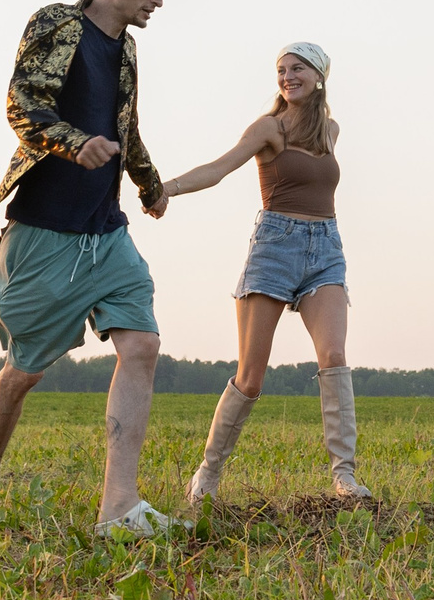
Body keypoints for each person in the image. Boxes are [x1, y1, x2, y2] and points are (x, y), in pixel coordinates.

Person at [0, 0, 192, 536]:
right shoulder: (56, 24)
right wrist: (73, 143)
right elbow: (22, 102)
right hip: (45, 231)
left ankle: (118, 508)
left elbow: (127, 128)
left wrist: (149, 186)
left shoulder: (128, 50)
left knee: (141, 345)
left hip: (105, 231)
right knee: (24, 370)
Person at [158, 42, 370, 506]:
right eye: (281, 69)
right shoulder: (268, 129)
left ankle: (345, 477)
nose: (287, 76)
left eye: (297, 68)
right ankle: (207, 475)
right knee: (251, 376)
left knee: (333, 354)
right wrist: (166, 188)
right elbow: (219, 168)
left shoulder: (331, 131)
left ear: (319, 76)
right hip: (274, 248)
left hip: (326, 249)